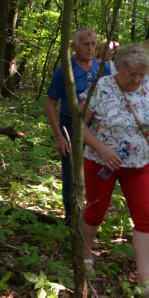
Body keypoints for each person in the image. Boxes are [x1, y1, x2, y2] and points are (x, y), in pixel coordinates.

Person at [80, 43, 149, 298]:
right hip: (102, 164)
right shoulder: (101, 88)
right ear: (117, 67)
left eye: (141, 75)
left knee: (147, 218)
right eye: (132, 74)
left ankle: (146, 283)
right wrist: (101, 149)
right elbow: (79, 124)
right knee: (95, 211)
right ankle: (85, 253)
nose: (137, 80)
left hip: (139, 164)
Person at [45, 27, 109, 223]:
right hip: (70, 128)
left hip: (98, 129)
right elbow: (50, 103)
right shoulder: (64, 69)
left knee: (96, 175)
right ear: (73, 46)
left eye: (92, 44)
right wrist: (59, 137)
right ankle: (72, 221)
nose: (90, 48)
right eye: (85, 44)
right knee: (71, 177)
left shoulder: (103, 67)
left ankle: (91, 219)